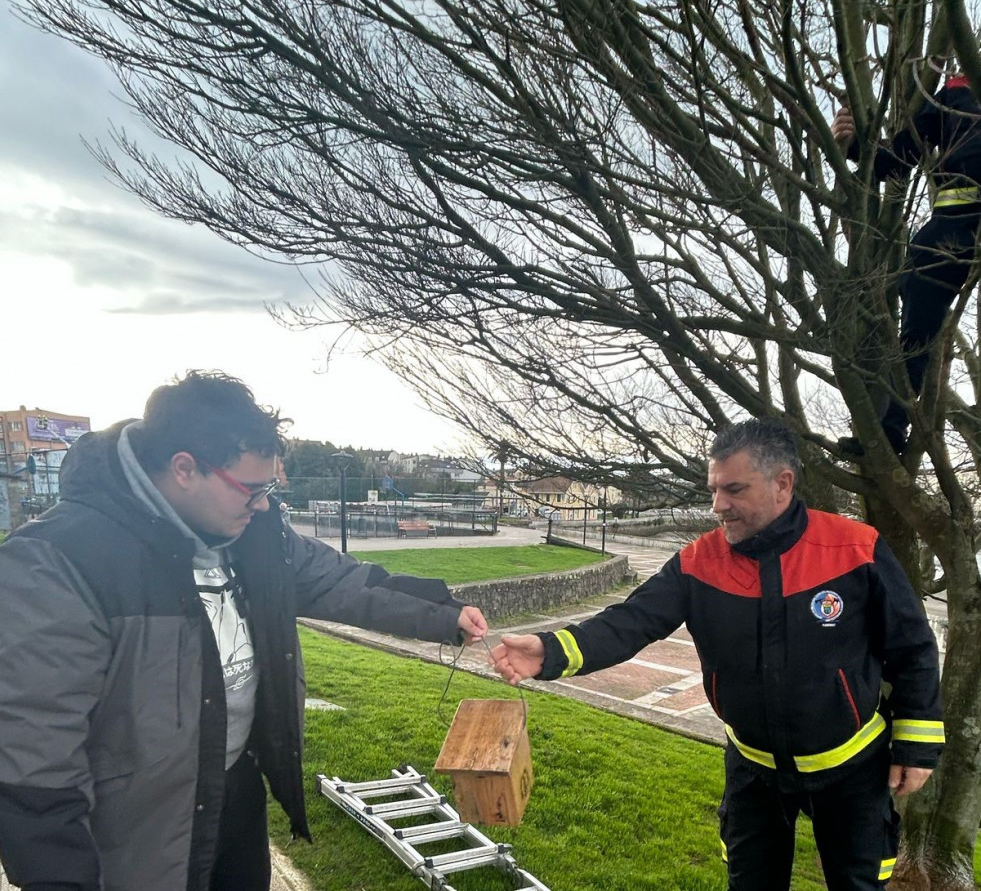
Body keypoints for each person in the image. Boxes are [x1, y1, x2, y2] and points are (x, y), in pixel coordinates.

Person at [0, 371, 488, 891]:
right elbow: (34, 761)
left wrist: (443, 612)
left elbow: (342, 581)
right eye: (252, 490)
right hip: (136, 827)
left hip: (233, 788)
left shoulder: (253, 532)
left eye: (269, 489)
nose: (262, 505)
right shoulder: (57, 560)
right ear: (184, 468)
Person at [491, 419, 943, 890]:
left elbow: (912, 649)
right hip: (754, 773)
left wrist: (916, 746)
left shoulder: (856, 548)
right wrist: (549, 651)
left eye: (734, 490)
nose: (718, 506)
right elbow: (630, 622)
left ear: (782, 484)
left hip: (852, 770)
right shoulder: (698, 561)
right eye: (713, 490)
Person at [832, 71, 981, 455]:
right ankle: (888, 432)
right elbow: (895, 161)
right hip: (954, 226)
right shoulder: (952, 90)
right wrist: (853, 146)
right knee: (914, 328)